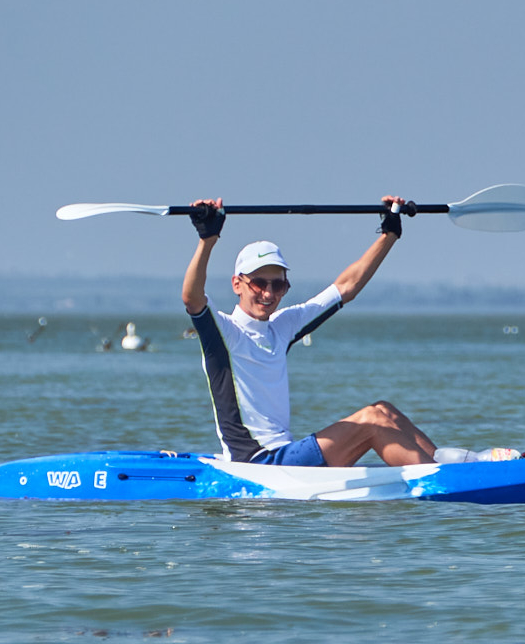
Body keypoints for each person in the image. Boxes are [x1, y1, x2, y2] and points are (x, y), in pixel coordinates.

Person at [181, 196, 505, 468]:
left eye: (277, 284)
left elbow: (345, 287)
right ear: (238, 284)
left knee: (383, 410)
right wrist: (207, 240)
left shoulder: (283, 326)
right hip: (258, 464)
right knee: (372, 421)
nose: (269, 293)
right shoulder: (224, 332)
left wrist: (389, 233)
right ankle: (443, 479)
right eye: (258, 283)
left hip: (286, 455)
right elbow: (192, 298)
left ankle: (457, 462)